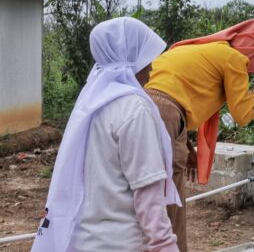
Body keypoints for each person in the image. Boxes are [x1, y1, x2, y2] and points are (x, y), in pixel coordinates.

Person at [32, 17, 180, 252]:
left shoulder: (90, 104)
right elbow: (147, 190)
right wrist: (164, 245)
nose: (152, 69)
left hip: (80, 241)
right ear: (131, 57)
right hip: (119, 244)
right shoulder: (134, 109)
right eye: (147, 58)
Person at [144, 19, 254, 252]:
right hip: (166, 115)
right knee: (169, 201)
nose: (249, 72)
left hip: (141, 108)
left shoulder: (196, 51)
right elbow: (242, 115)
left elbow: (172, 94)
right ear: (253, 54)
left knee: (144, 192)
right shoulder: (234, 58)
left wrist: (186, 146)